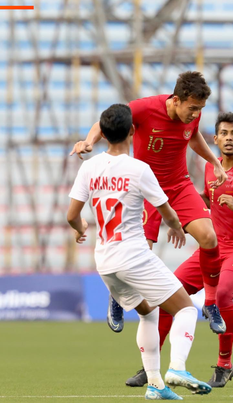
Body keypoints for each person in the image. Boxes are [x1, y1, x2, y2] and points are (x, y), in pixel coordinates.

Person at [125, 112, 233, 389]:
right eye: (224, 133)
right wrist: (178, 211)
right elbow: (207, 201)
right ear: (215, 138)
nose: (229, 138)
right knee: (168, 293)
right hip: (209, 250)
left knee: (222, 294)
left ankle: (225, 363)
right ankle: (150, 367)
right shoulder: (212, 167)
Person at [67, 104, 211, 400]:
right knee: (185, 308)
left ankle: (156, 385)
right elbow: (167, 210)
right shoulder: (139, 169)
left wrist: (81, 228)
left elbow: (71, 215)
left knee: (148, 313)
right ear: (133, 131)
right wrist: (175, 226)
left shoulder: (88, 167)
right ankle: (178, 368)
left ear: (103, 134)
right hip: (133, 256)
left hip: (105, 261)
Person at [71, 72, 228, 334]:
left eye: (200, 109)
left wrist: (213, 160)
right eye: (192, 108)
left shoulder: (193, 113)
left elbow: (193, 135)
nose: (195, 113)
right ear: (176, 100)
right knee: (138, 252)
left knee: (210, 238)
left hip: (179, 186)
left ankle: (210, 303)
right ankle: (118, 297)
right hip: (145, 190)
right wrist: (89, 142)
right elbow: (106, 120)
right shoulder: (144, 108)